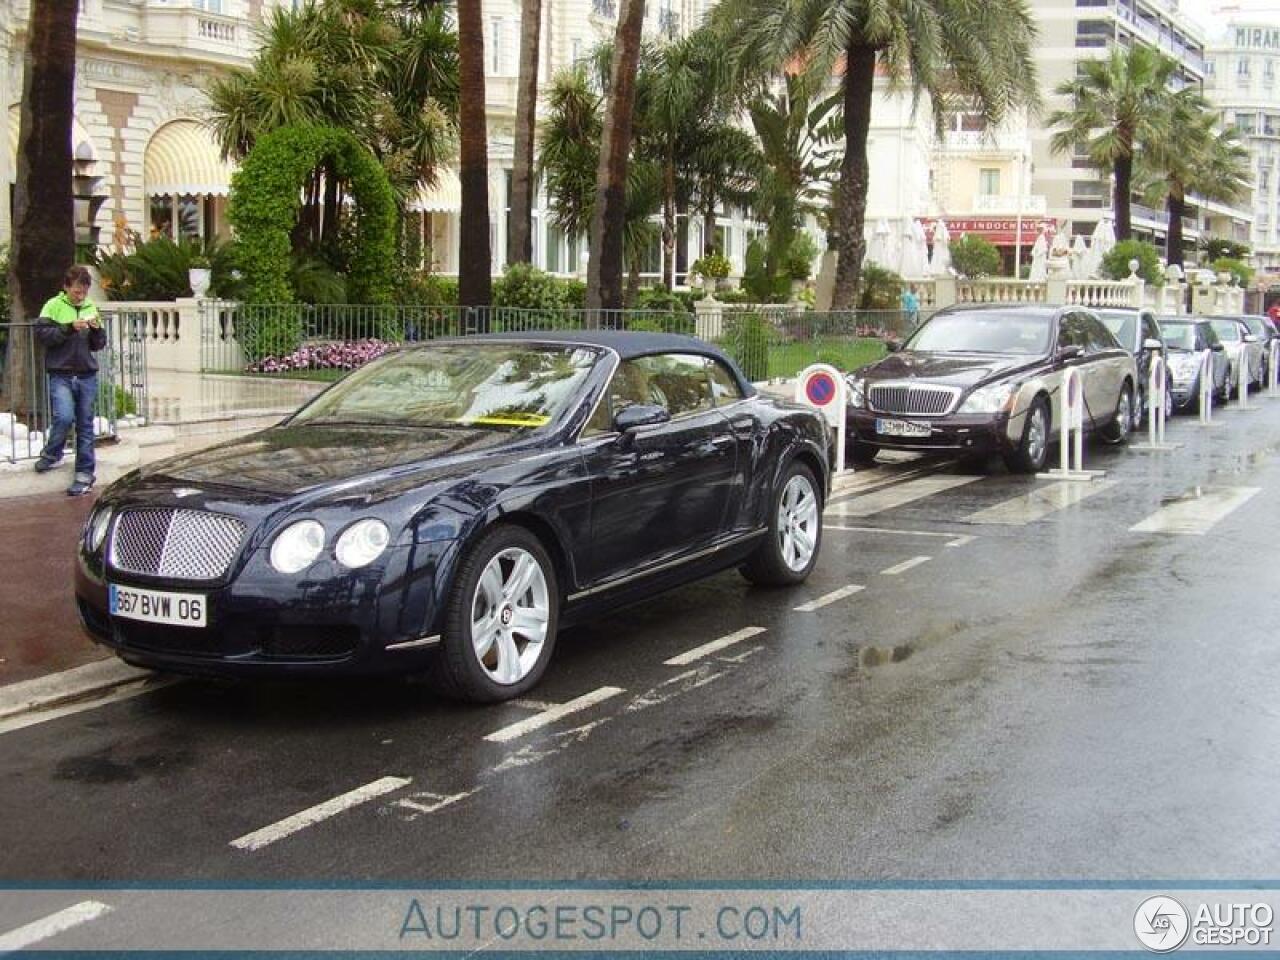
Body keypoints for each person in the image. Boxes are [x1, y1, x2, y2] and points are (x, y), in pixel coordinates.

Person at [33, 265, 107, 496]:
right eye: (76, 292)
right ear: (66, 288)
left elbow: (99, 344)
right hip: (61, 373)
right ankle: (52, 453)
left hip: (86, 374)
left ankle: (84, 474)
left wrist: (95, 331)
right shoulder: (53, 306)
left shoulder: (90, 307)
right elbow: (43, 336)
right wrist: (68, 328)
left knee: (85, 424)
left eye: (84, 292)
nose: (80, 296)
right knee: (64, 417)